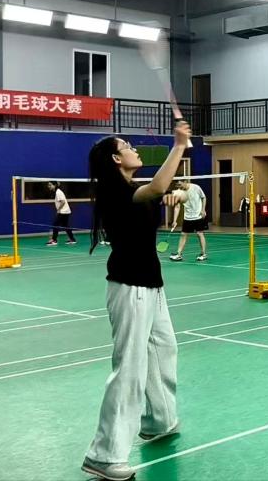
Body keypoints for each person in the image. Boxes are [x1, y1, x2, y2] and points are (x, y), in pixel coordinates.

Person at [82, 121, 192, 481]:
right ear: (117, 159)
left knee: (163, 350)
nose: (134, 149)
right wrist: (179, 145)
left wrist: (173, 197)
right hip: (130, 287)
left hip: (152, 285)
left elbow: (160, 192)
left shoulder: (133, 189)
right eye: (128, 146)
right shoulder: (114, 191)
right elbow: (157, 187)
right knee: (129, 368)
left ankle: (159, 420)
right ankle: (104, 455)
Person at [169, 179, 208, 262]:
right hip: (187, 217)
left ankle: (203, 254)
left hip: (198, 215)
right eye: (177, 185)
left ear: (185, 182)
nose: (179, 187)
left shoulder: (196, 187)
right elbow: (177, 207)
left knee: (199, 234)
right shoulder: (178, 193)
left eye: (180, 184)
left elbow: (203, 197)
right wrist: (174, 220)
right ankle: (179, 254)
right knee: (183, 234)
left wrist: (203, 210)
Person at [46, 181, 77, 246]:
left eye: (50, 185)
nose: (49, 186)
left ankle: (54, 240)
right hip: (65, 211)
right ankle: (72, 239)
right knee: (65, 225)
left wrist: (58, 210)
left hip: (63, 211)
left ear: (54, 185)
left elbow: (63, 202)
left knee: (55, 224)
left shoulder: (58, 192)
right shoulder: (57, 192)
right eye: (48, 185)